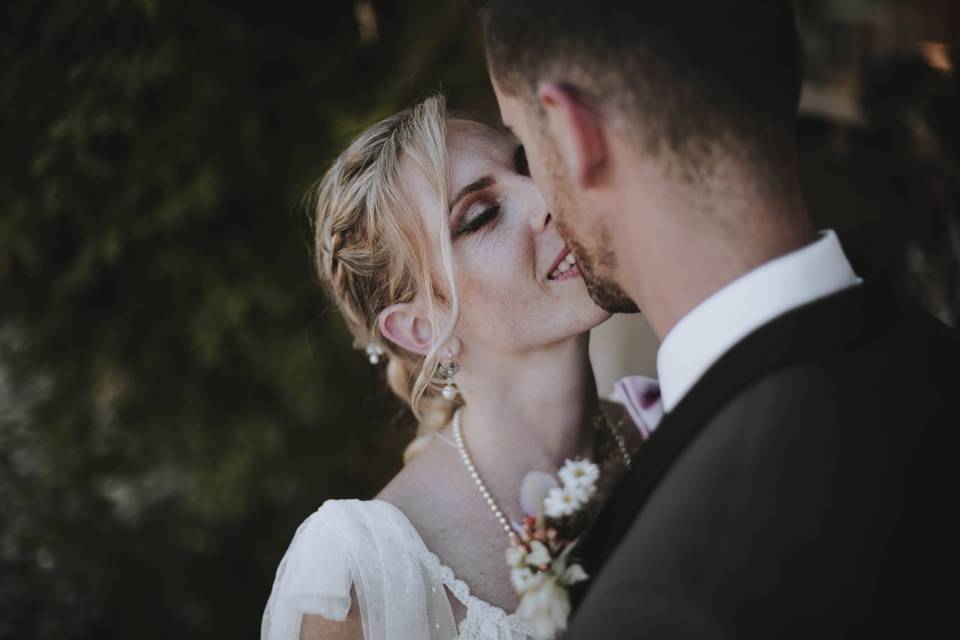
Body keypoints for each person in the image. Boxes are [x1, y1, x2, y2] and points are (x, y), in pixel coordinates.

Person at [474, 0, 960, 636]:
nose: (536, 198)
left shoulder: (664, 605)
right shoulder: (930, 354)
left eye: (524, 145)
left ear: (573, 135)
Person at [261, 96, 660, 640]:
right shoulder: (362, 578)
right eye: (481, 215)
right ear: (423, 329)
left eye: (528, 167)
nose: (548, 198)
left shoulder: (666, 429)